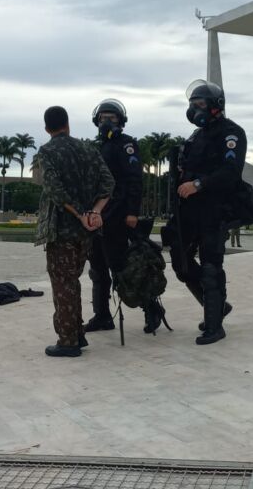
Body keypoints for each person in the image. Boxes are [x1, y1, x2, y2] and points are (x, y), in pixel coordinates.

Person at [166, 79, 246, 345]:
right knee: (181, 263)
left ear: (215, 106)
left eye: (199, 104)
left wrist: (199, 184)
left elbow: (230, 172)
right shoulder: (195, 136)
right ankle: (218, 305)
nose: (194, 110)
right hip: (189, 210)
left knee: (211, 266)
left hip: (215, 209)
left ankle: (214, 325)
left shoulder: (231, 133)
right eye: (192, 104)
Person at [36, 105, 115, 358]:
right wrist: (95, 212)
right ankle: (77, 333)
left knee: (63, 283)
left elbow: (55, 190)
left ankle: (68, 341)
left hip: (62, 230)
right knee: (73, 281)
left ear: (47, 128)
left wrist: (80, 214)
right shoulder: (88, 149)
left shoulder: (47, 152)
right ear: (67, 124)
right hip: (86, 233)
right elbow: (108, 182)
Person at [82, 98, 150, 333]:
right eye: (102, 118)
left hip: (119, 214)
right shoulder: (99, 147)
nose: (106, 122)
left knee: (122, 268)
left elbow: (134, 180)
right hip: (98, 215)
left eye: (111, 118)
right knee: (97, 268)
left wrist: (132, 211)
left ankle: (151, 309)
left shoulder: (126, 144)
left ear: (120, 121)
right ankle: (102, 316)